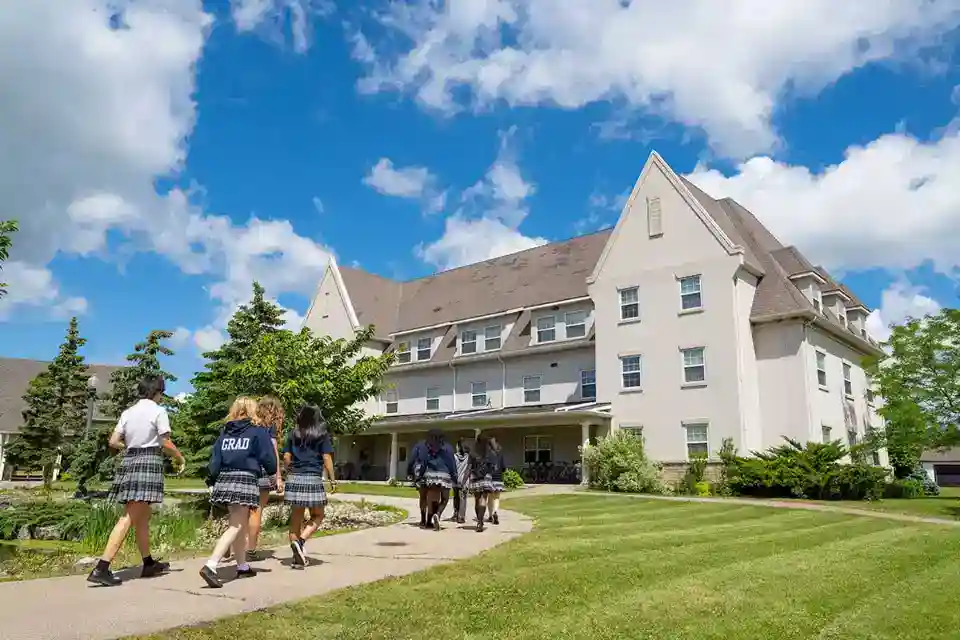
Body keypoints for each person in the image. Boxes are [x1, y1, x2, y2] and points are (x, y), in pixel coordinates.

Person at [87, 374, 185, 587]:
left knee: (142, 515)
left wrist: (131, 446)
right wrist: (179, 457)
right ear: (157, 392)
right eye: (161, 393)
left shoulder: (128, 412)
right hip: (148, 462)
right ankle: (101, 568)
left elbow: (113, 441)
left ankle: (148, 563)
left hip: (130, 462)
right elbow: (165, 441)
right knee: (129, 516)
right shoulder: (159, 411)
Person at [199, 396, 277, 589]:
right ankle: (211, 565)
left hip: (225, 479)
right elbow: (269, 459)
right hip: (244, 479)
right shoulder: (257, 432)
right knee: (235, 526)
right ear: (252, 411)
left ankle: (242, 566)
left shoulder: (224, 433)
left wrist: (212, 480)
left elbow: (215, 461)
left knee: (238, 524)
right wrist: (273, 470)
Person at [282, 404, 337, 568]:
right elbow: (326, 457)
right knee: (318, 515)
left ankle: (296, 557)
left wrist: (288, 470)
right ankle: (301, 541)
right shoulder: (321, 434)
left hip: (294, 478)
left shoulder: (293, 434)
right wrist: (332, 480)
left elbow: (286, 457)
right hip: (312, 477)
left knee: (295, 522)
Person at [246, 395, 284, 560]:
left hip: (246, 469)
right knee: (256, 510)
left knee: (241, 511)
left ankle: (231, 544)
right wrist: (278, 476)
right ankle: (251, 549)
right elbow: (273, 450)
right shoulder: (269, 428)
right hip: (262, 472)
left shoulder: (249, 424)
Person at [411, 429, 457, 531]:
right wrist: (454, 476)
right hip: (444, 474)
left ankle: (426, 520)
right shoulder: (448, 448)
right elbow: (451, 463)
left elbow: (424, 462)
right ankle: (438, 514)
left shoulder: (427, 447)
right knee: (444, 499)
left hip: (430, 474)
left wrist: (419, 476)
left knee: (430, 498)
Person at [468, 434, 505, 532]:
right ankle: (480, 523)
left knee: (477, 500)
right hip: (486, 478)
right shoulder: (491, 453)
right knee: (483, 499)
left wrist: (464, 481)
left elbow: (468, 468)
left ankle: (479, 520)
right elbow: (494, 467)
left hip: (475, 478)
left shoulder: (473, 453)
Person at [449, 438, 471, 524]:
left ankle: (456, 514)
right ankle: (461, 517)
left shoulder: (454, 456)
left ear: (458, 447)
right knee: (463, 499)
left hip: (455, 480)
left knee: (456, 498)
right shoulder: (469, 457)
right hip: (464, 481)